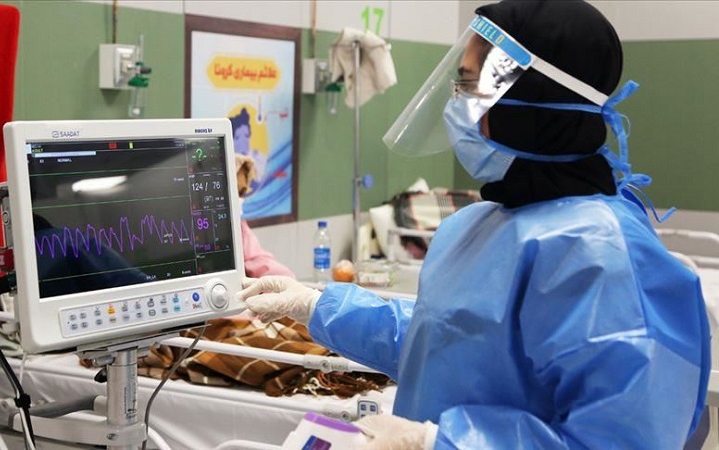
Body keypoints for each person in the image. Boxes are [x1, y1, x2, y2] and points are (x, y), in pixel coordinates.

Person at [238, 1, 711, 449]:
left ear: (530, 101)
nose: (457, 108)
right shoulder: (476, 225)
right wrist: (316, 305)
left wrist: (436, 441)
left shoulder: (602, 256)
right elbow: (439, 343)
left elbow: (622, 437)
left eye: (469, 87)